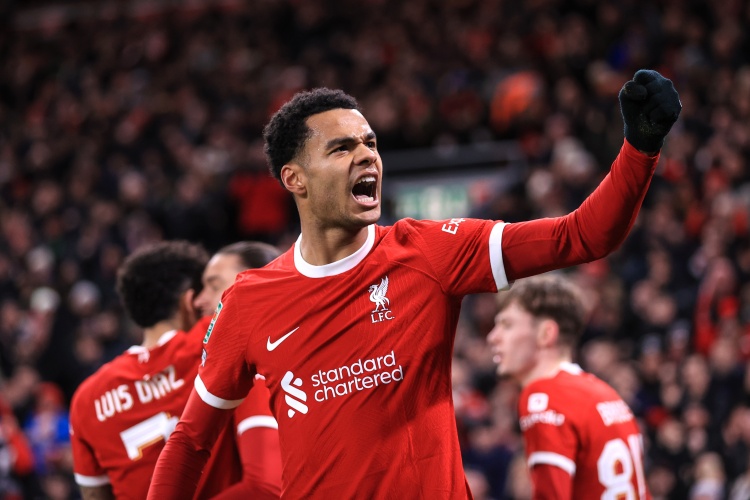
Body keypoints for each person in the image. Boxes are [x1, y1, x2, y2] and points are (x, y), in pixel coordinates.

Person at [149, 69, 681, 498]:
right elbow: (191, 441)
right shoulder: (249, 300)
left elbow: (582, 236)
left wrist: (640, 147)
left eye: (370, 143)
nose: (367, 155)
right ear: (295, 179)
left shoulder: (428, 251)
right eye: (341, 148)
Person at [69, 241, 281, 499]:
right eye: (206, 288)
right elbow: (266, 485)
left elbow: (94, 494)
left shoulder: (86, 399)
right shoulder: (222, 344)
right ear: (189, 301)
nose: (205, 300)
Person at [487, 275, 650, 499]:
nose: (493, 337)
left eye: (507, 325)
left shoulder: (544, 396)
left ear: (546, 334)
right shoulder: (606, 394)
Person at [194, 241, 284, 498]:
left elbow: (266, 487)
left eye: (214, 286)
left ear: (256, 284)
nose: (199, 301)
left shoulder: (257, 367)